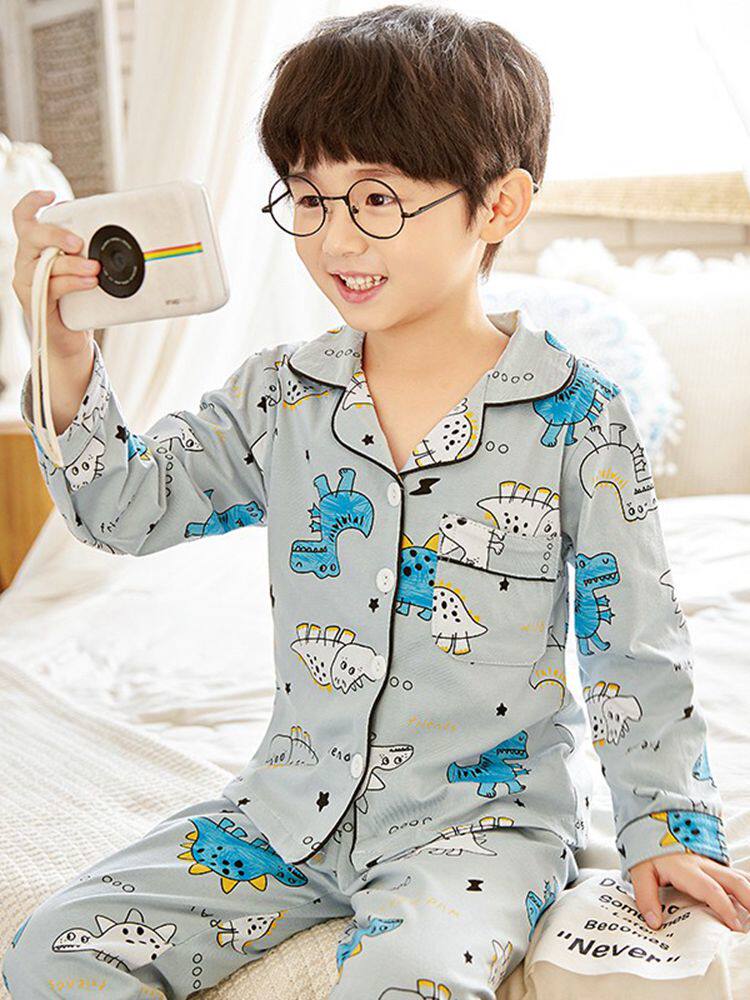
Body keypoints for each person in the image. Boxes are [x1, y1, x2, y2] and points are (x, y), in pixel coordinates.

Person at [4, 5, 749, 998]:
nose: (336, 239)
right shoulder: (281, 396)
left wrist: (668, 829)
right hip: (285, 812)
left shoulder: (579, 418)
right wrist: (63, 349)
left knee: (408, 979)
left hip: (479, 830)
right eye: (309, 199)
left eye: (378, 199)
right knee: (55, 947)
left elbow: (636, 644)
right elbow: (121, 507)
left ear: (499, 204)